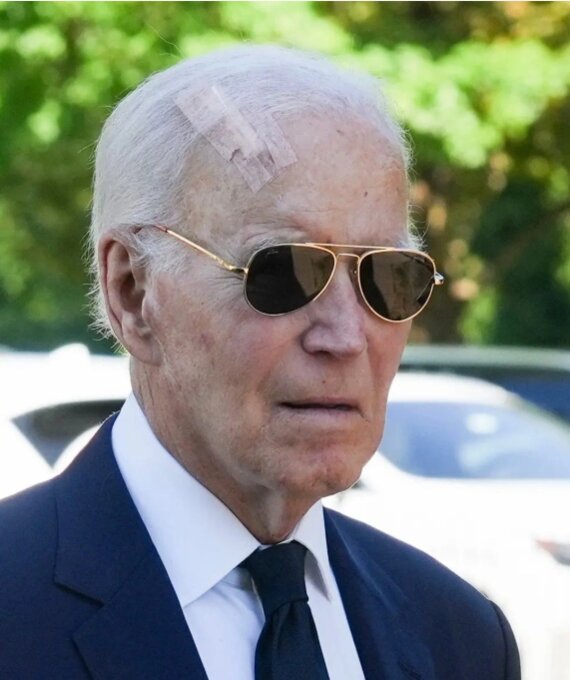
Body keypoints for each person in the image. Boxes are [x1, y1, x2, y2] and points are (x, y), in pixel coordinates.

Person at [0, 45, 519, 680]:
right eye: (285, 271)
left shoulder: (459, 635)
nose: (346, 336)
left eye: (388, 276)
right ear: (133, 291)